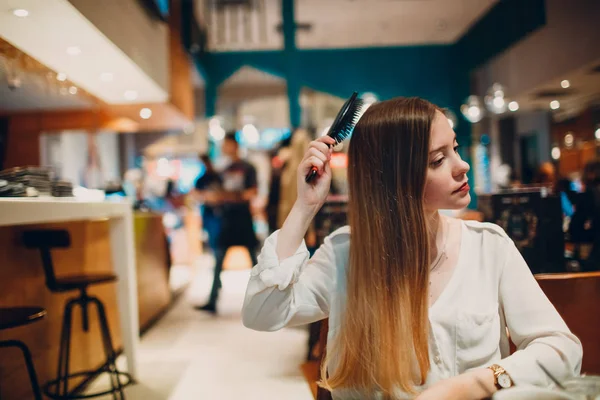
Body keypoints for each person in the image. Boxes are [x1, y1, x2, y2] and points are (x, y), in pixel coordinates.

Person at [242, 98, 582, 399]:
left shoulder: (487, 247)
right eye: (437, 160)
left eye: (455, 147)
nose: (461, 165)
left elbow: (561, 349)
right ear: (392, 177)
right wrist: (304, 207)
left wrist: (476, 384)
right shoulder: (346, 255)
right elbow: (263, 312)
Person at [196, 133, 259, 314]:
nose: (224, 147)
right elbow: (213, 190)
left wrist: (230, 197)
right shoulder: (223, 170)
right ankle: (213, 299)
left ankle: (266, 300)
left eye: (226, 144)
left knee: (255, 262)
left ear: (234, 145)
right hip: (226, 220)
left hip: (243, 219)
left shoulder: (248, 168)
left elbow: (252, 192)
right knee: (218, 260)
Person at [194, 154, 223, 255]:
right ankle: (217, 257)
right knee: (213, 238)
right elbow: (196, 195)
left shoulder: (218, 177)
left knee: (220, 239)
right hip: (209, 213)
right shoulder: (200, 180)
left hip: (220, 212)